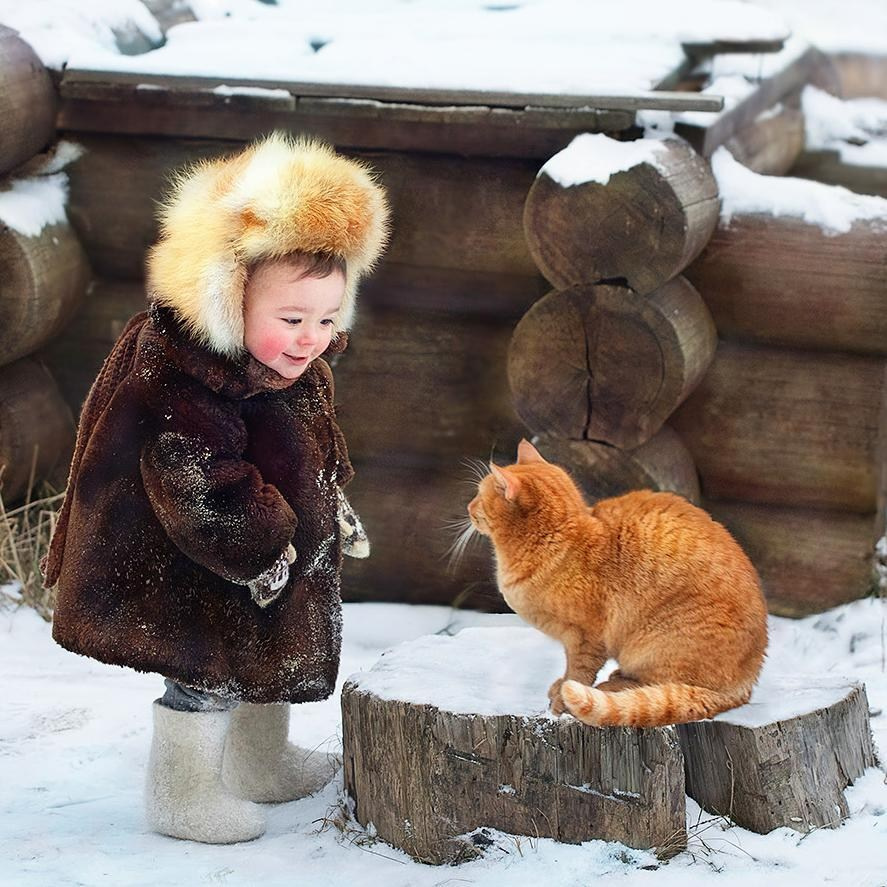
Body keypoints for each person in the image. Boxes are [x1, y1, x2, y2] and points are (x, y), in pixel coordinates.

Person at [42, 133, 389, 843]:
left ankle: (261, 761)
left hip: (270, 552)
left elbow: (314, 447)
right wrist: (262, 546)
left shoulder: (296, 370)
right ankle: (182, 792)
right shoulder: (180, 372)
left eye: (326, 318)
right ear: (225, 296)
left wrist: (333, 503)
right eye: (291, 320)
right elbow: (194, 483)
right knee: (207, 669)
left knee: (272, 646)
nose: (311, 339)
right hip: (185, 559)